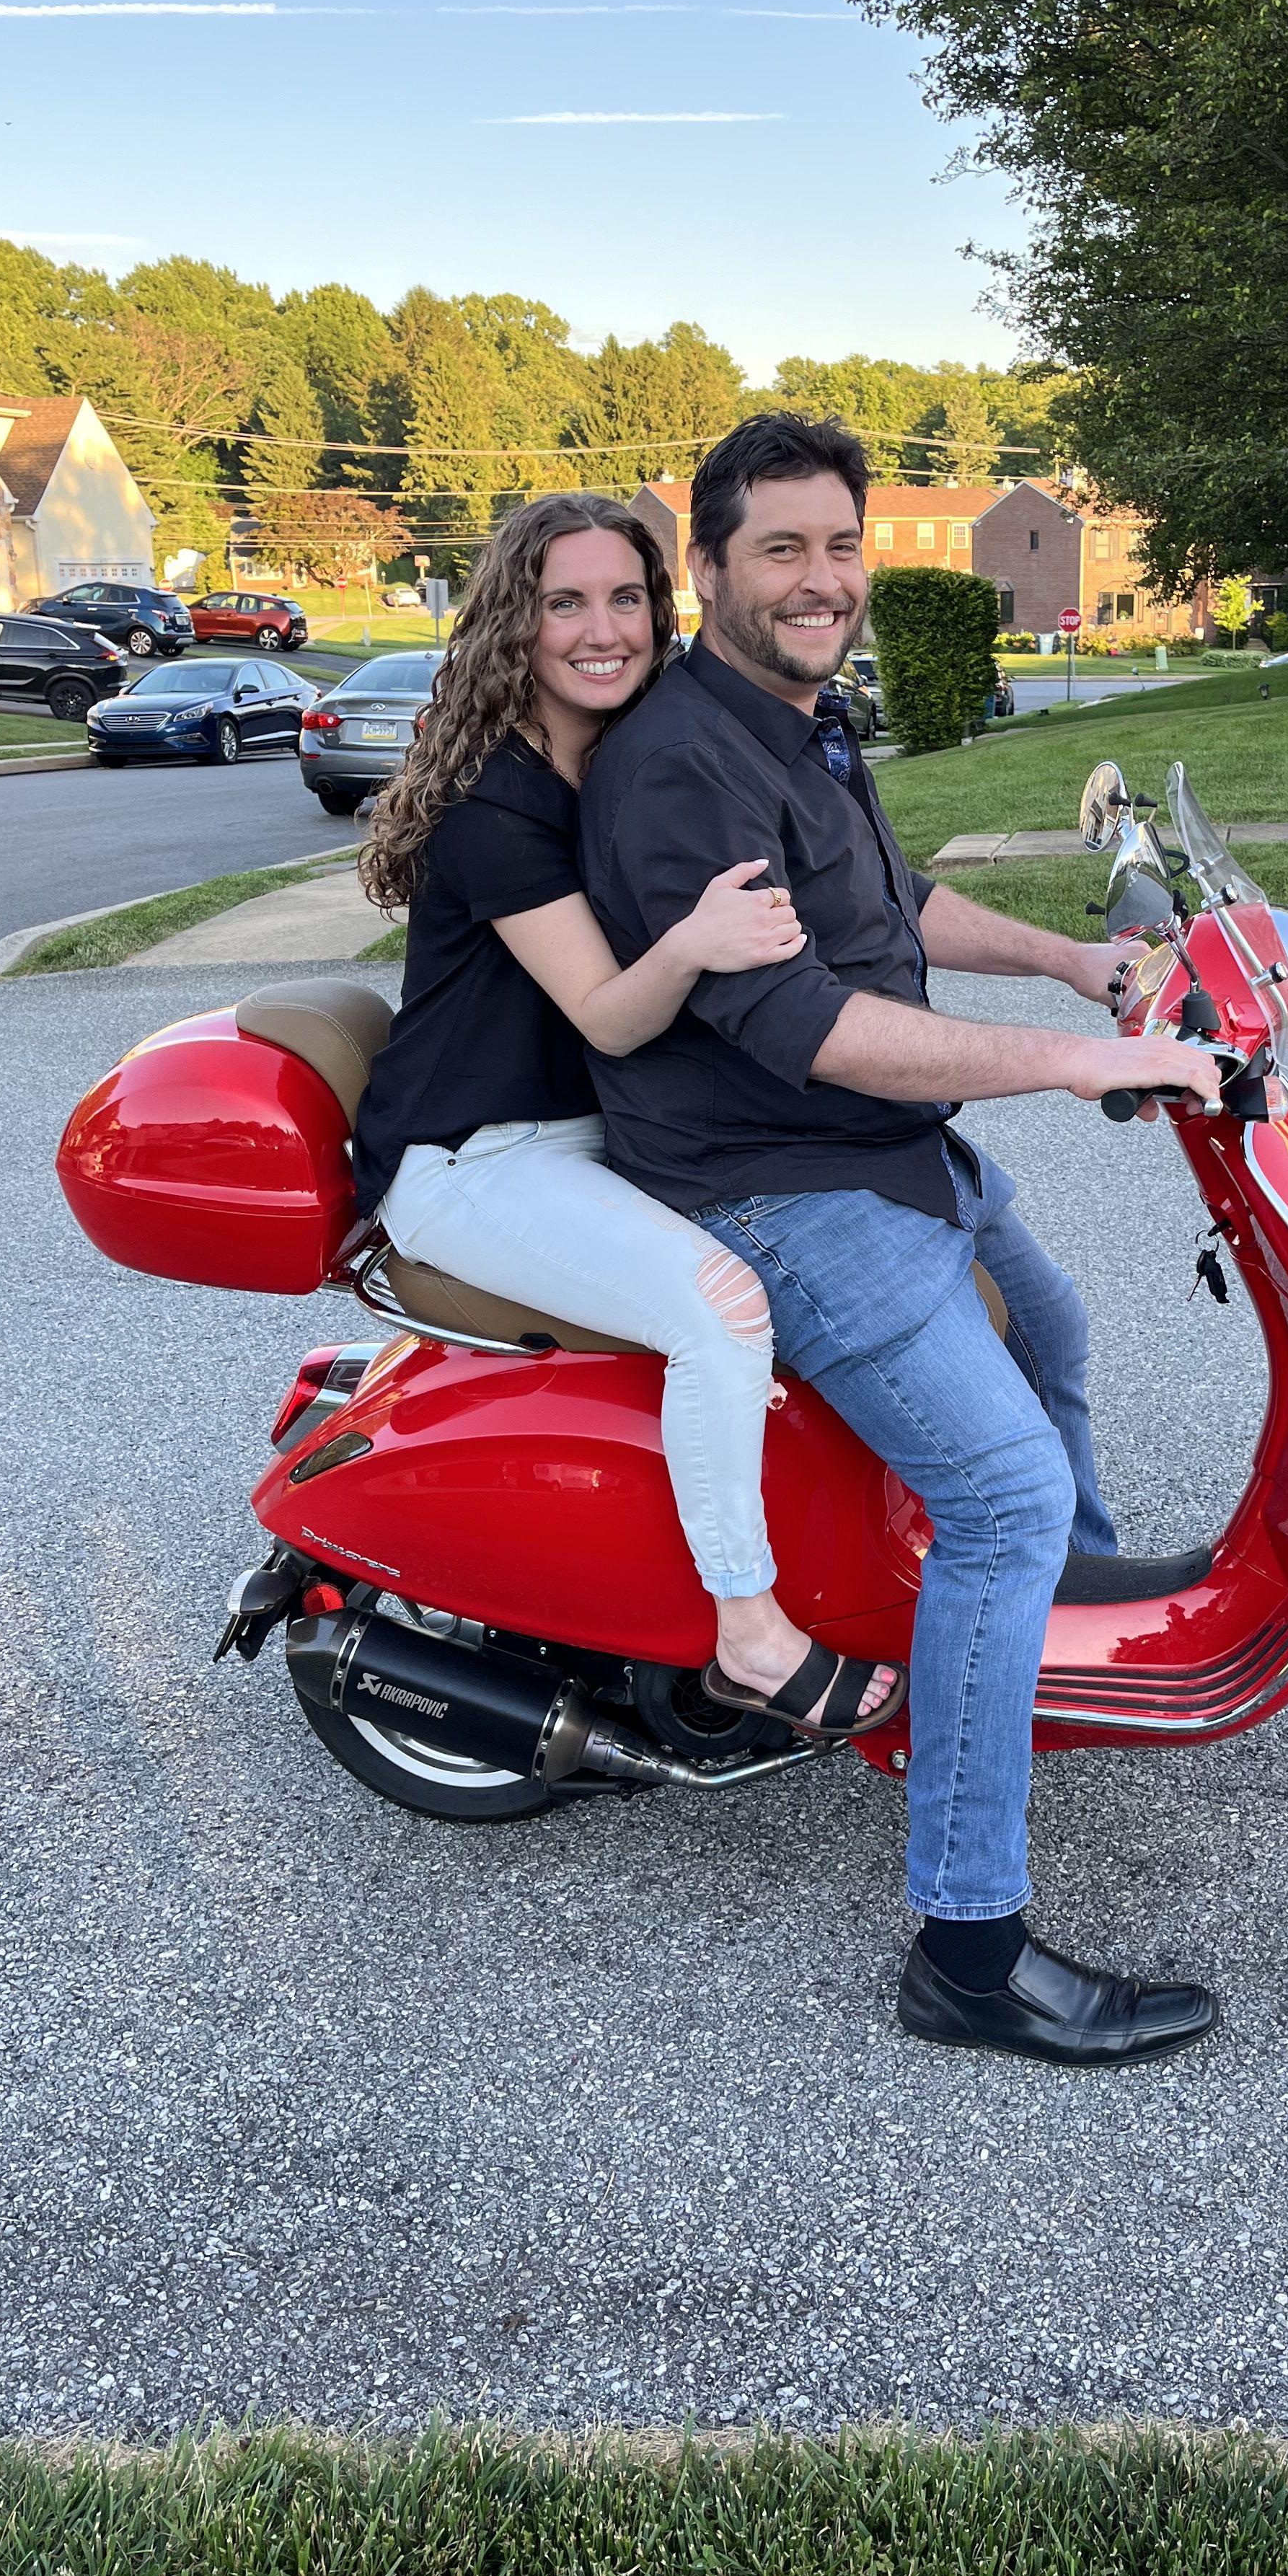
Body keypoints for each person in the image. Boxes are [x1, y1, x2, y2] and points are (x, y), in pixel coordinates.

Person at [578, 413, 1227, 2068]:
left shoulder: (803, 722)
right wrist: (1096, 1062)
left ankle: (1027, 1656)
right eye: (779, 550)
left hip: (886, 1155)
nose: (821, 579)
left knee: (1055, 1330)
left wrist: (1081, 969)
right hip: (778, 1185)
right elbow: (813, 1026)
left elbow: (899, 907)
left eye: (839, 546)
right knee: (1001, 1492)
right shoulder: (678, 762)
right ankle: (966, 1945)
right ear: (707, 567)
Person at [352, 493, 904, 1738]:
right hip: (472, 1160)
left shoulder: (618, 761)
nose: (604, 629)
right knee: (725, 1308)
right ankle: (751, 1635)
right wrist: (704, 939)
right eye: (566, 603)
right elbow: (607, 1014)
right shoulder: (496, 802)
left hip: (589, 1139)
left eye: (627, 599)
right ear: (516, 624)